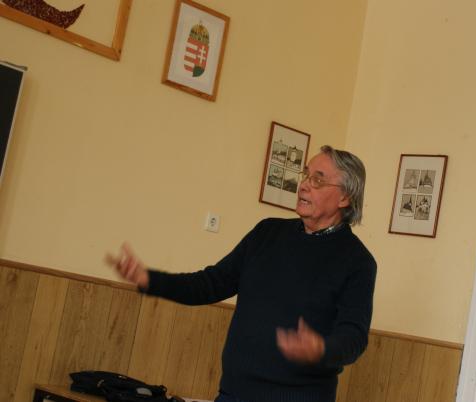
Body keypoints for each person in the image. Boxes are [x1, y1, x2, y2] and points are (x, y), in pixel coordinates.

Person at [106, 145, 377, 402]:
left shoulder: (358, 261)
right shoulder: (267, 232)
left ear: (345, 197)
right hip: (233, 393)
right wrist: (150, 280)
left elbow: (354, 336)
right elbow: (210, 283)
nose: (304, 184)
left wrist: (322, 349)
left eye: (318, 180)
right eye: (305, 174)